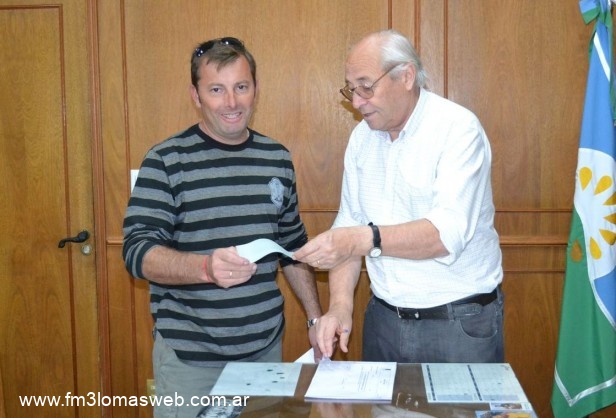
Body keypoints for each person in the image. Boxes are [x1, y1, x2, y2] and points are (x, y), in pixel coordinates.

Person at [123, 37, 322, 418]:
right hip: (191, 362)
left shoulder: (276, 158)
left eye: (241, 87)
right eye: (217, 90)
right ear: (196, 96)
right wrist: (205, 268)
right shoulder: (166, 160)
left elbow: (293, 248)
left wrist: (315, 318)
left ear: (255, 90)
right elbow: (136, 252)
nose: (231, 102)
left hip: (264, 352)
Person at [293, 29, 504, 364]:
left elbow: (445, 235)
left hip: (457, 323)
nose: (357, 102)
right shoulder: (362, 139)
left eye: (366, 86)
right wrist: (340, 306)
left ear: (406, 76)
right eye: (351, 89)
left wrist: (364, 239)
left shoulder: (457, 129)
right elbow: (349, 226)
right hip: (384, 321)